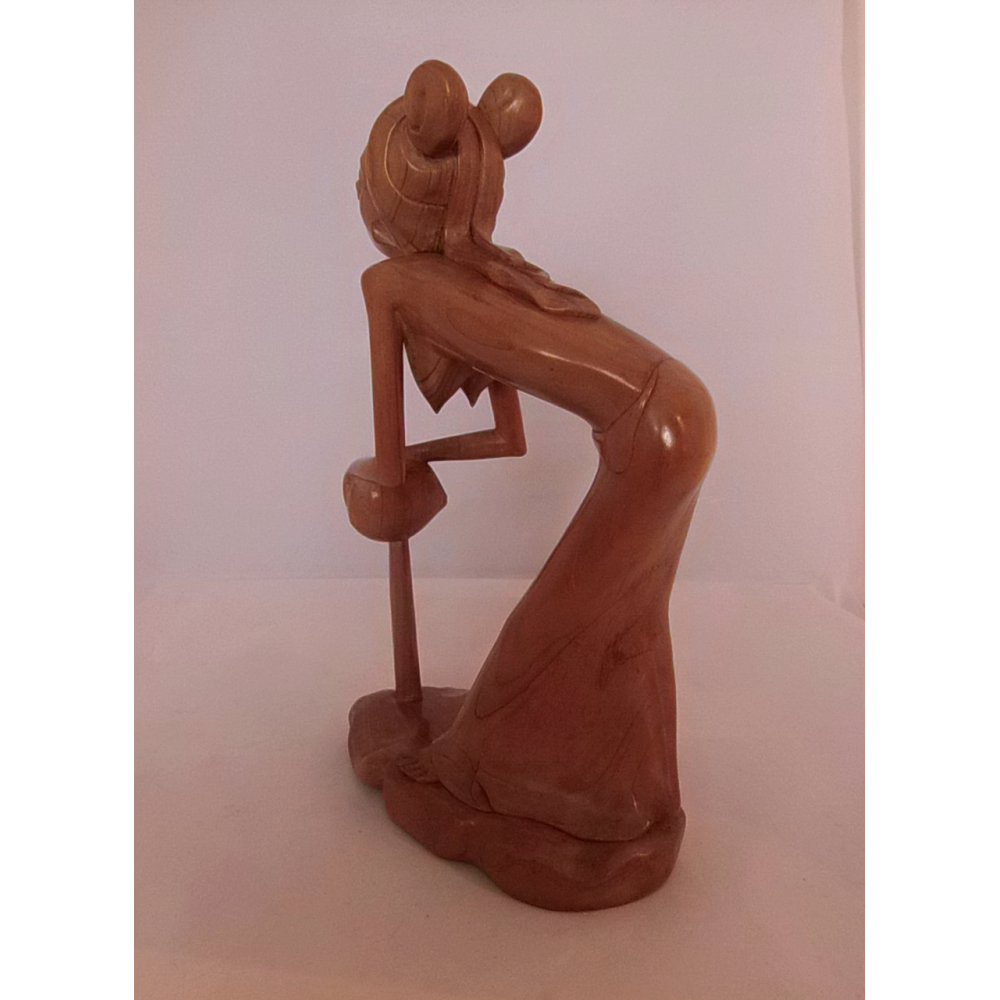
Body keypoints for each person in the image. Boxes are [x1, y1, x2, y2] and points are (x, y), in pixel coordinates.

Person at [346, 61, 716, 845]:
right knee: (626, 623)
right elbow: (508, 439)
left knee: (552, 639)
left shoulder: (392, 283)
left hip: (652, 435)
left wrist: (397, 470)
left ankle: (531, 787)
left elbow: (386, 461)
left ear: (385, 199)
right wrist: (425, 457)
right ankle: (625, 797)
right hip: (685, 411)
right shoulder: (495, 274)